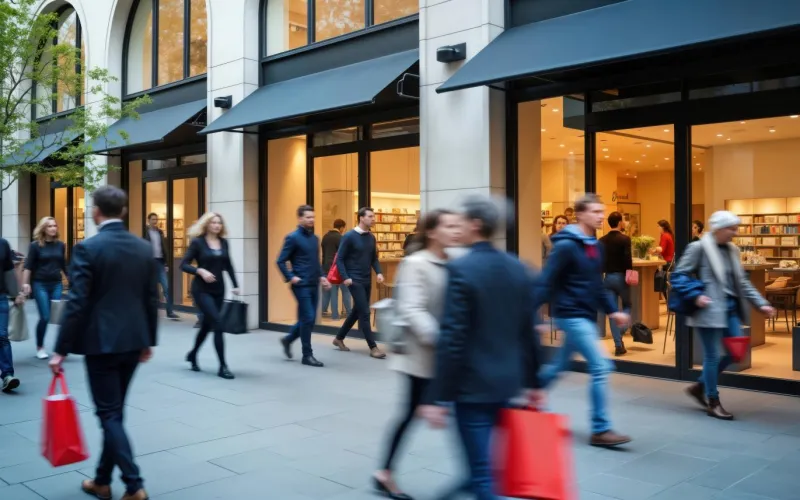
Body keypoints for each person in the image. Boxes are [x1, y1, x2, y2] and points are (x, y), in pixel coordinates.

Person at [418, 196, 544, 500]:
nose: (457, 226)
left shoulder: (462, 270)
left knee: (483, 472)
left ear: (475, 225)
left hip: (472, 386)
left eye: (461, 220)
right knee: (483, 464)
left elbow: (453, 337)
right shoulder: (519, 269)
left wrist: (437, 397)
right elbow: (530, 331)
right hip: (508, 381)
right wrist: (534, 382)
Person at [49, 186, 158, 500]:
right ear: (122, 211)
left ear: (96, 212)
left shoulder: (88, 248)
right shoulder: (142, 248)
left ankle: (134, 485)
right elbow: (150, 299)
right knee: (115, 414)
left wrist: (60, 349)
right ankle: (101, 481)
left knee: (109, 415)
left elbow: (77, 302)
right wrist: (148, 340)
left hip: (101, 343)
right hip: (134, 341)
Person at [373, 209, 463, 499]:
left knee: (432, 412)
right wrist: (442, 340)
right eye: (449, 226)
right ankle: (385, 472)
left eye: (457, 226)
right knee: (411, 413)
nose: (456, 231)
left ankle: (474, 475)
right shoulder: (415, 264)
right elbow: (412, 310)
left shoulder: (456, 261)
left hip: (445, 356)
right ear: (432, 232)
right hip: (419, 356)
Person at [533, 193, 632, 447]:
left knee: (558, 367)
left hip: (586, 314)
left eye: (602, 212)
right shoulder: (566, 245)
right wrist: (533, 315)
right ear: (580, 214)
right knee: (601, 367)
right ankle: (600, 429)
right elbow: (547, 280)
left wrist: (612, 311)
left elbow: (597, 286)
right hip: (571, 315)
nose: (601, 216)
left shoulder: (595, 246)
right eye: (595, 212)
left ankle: (528, 394)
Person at [676, 211, 775, 420]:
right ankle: (713, 400)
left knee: (735, 352)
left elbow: (743, 282)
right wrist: (696, 296)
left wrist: (761, 304)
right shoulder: (699, 247)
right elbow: (679, 275)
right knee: (712, 356)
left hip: (729, 308)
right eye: (731, 228)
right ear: (719, 229)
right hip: (707, 308)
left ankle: (700, 386)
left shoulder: (732, 250)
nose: (735, 233)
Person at [181, 212, 240, 379]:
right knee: (218, 324)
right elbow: (184, 265)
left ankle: (192, 354)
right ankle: (223, 366)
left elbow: (228, 265)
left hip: (219, 290)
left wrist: (235, 285)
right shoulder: (197, 243)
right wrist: (199, 270)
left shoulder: (224, 243)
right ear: (206, 224)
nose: (216, 225)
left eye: (219, 223)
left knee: (207, 326)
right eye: (213, 222)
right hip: (201, 290)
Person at [277, 205, 330, 368]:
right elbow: (280, 261)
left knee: (308, 319)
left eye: (313, 217)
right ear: (300, 219)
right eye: (308, 217)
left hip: (314, 283)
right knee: (308, 317)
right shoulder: (292, 238)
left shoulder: (315, 239)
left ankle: (288, 339)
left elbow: (316, 262)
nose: (311, 220)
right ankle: (307, 355)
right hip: (300, 285)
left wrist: (322, 276)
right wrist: (291, 277)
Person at [333, 207, 386, 359]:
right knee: (365, 312)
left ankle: (338, 338)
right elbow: (340, 259)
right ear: (361, 218)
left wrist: (379, 272)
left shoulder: (371, 237)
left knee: (357, 311)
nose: (374, 219)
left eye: (373, 216)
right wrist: (345, 277)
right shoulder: (349, 236)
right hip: (354, 280)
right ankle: (373, 347)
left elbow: (374, 259)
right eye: (370, 216)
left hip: (366, 279)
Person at [21, 216, 67, 359]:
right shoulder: (35, 246)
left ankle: (61, 348)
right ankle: (40, 347)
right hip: (40, 284)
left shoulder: (60, 245)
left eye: (55, 225)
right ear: (43, 229)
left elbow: (63, 265)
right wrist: (25, 283)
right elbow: (28, 266)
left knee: (58, 317)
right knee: (45, 317)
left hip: (56, 284)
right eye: (49, 226)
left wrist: (73, 281)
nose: (53, 228)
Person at [599, 212, 633, 356]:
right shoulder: (625, 239)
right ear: (619, 223)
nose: (624, 223)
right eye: (623, 221)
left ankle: (618, 345)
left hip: (607, 278)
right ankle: (621, 329)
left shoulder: (601, 240)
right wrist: (630, 274)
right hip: (621, 277)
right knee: (627, 305)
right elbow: (627, 260)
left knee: (612, 312)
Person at [143, 213, 180, 320]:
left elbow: (164, 248)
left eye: (156, 219)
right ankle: (149, 311)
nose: (155, 221)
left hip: (160, 262)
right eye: (153, 219)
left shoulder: (160, 232)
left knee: (166, 287)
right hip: (150, 263)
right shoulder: (145, 232)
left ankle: (170, 312)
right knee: (151, 288)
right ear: (148, 220)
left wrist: (166, 263)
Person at [320, 218, 351, 320]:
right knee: (345, 291)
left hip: (327, 268)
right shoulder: (341, 238)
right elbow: (343, 255)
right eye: (343, 228)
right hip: (338, 269)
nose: (343, 230)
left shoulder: (325, 237)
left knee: (333, 293)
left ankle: (335, 315)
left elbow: (324, 254)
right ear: (341, 227)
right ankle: (350, 313)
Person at [0, 236, 18, 393]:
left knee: (2, 335)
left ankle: (7, 375)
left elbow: (8, 270)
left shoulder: (2, 244)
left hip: (1, 298)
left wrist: (16, 294)